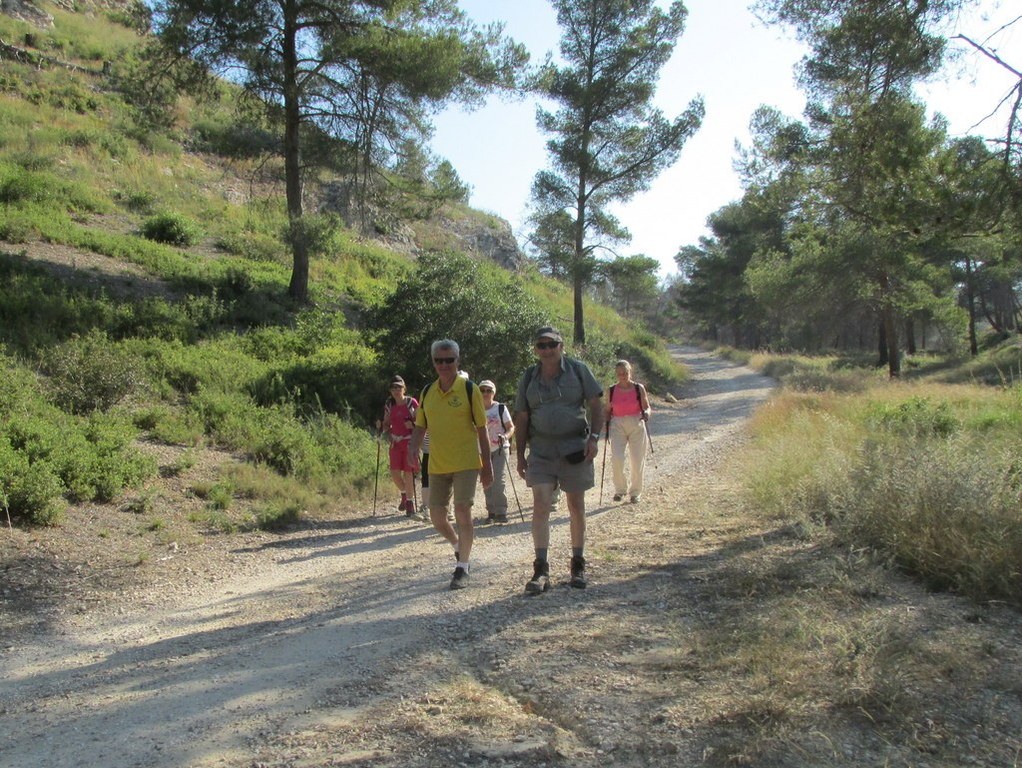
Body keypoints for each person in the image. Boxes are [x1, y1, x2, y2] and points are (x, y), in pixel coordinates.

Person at [514, 326, 603, 593]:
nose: (547, 350)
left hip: (575, 447)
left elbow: (597, 404)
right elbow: (521, 417)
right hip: (541, 450)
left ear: (561, 346)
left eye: (551, 344)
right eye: (541, 345)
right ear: (535, 350)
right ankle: (541, 570)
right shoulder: (529, 376)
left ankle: (578, 564)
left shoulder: (578, 370)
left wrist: (595, 437)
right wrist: (519, 454)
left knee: (575, 505)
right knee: (541, 505)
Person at [408, 340, 493, 590]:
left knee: (463, 511)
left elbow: (482, 429)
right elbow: (421, 425)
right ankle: (458, 545)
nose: (444, 365)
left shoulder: (470, 389)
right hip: (437, 463)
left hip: (466, 462)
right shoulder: (427, 392)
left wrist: (486, 466)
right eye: (439, 360)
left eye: (449, 360)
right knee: (436, 517)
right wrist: (413, 448)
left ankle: (462, 567)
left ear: (458, 360)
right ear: (433, 362)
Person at [607, 360, 651, 504]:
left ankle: (635, 493)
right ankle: (620, 490)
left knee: (637, 459)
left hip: (636, 423)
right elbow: (607, 409)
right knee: (617, 458)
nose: (623, 376)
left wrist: (647, 414)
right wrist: (605, 420)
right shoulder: (612, 390)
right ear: (616, 374)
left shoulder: (639, 388)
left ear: (630, 372)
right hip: (617, 425)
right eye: (620, 374)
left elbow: (647, 406)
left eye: (625, 373)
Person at [378, 375, 418, 517]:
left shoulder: (411, 403)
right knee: (395, 473)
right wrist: (381, 426)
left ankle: (410, 504)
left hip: (409, 442)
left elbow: (420, 422)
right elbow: (387, 424)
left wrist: (412, 425)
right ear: (390, 390)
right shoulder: (389, 405)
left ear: (404, 388)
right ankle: (404, 494)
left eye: (399, 387)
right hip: (395, 442)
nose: (396, 390)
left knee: (408, 474)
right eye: (393, 388)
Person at [479, 379, 515, 524]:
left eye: (489, 390)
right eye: (482, 390)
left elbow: (511, 427)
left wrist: (505, 436)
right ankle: (491, 512)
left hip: (500, 448)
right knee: (486, 480)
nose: (486, 393)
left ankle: (501, 511)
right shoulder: (475, 408)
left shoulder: (500, 408)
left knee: (498, 480)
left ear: (494, 393)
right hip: (481, 450)